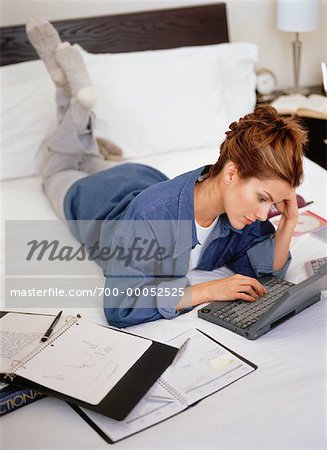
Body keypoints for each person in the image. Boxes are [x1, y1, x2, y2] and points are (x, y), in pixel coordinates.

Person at [26, 19, 308, 328]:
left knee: (92, 158)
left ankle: (83, 117)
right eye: (263, 198)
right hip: (96, 201)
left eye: (271, 203)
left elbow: (267, 271)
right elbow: (121, 305)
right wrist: (208, 289)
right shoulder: (150, 215)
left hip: (139, 176)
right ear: (231, 174)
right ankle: (72, 100)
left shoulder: (240, 213)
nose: (262, 212)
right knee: (58, 170)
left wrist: (288, 223)